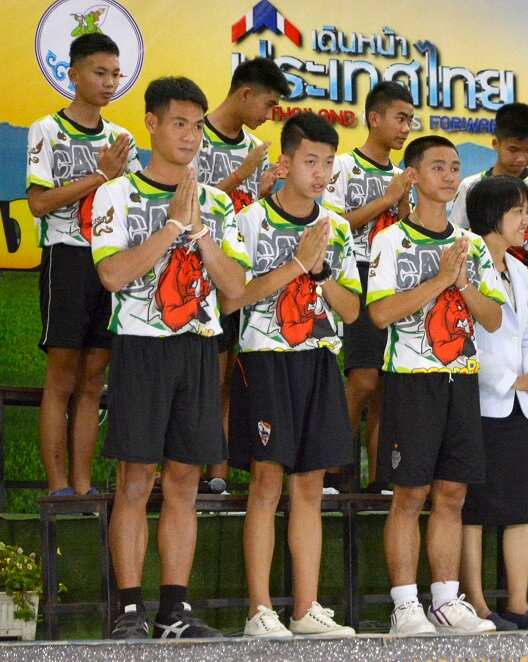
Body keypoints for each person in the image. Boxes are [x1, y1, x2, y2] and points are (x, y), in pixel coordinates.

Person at [90, 77, 248, 638]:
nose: (190, 136)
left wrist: (202, 235)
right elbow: (112, 274)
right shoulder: (116, 193)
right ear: (152, 124)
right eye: (179, 123)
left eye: (198, 126)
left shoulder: (220, 203)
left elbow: (235, 291)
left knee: (184, 478)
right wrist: (173, 227)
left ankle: (174, 610)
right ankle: (128, 610)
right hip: (139, 347)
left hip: (200, 348)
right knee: (136, 478)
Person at [222, 112, 361, 638]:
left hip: (321, 361)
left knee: (310, 486)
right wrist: (297, 265)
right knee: (266, 481)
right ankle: (260, 610)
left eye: (328, 162)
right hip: (265, 360)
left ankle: (305, 608)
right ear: (286, 162)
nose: (321, 172)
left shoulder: (339, 229)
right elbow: (233, 296)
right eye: (310, 161)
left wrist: (321, 271)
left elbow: (351, 312)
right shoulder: (250, 221)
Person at [366, 135, 504, 636]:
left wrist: (462, 280)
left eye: (454, 167)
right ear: (414, 177)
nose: (448, 176)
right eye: (437, 167)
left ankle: (446, 598)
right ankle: (405, 604)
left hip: (460, 379)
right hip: (411, 382)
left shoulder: (471, 247)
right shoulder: (390, 241)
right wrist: (441, 281)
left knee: (451, 493)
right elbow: (380, 312)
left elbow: (491, 319)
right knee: (409, 494)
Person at [26, 32, 141, 497]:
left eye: (115, 74)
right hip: (66, 257)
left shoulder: (121, 139)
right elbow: (38, 204)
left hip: (107, 261)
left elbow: (130, 205)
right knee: (62, 374)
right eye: (100, 72)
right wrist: (98, 176)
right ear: (73, 75)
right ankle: (57, 485)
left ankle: (83, 484)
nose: (110, 82)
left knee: (95, 376)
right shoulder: (46, 130)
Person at [459, 176, 528, 631]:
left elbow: (524, 335)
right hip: (478, 400)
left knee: (524, 503)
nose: (526, 221)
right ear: (493, 216)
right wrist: (509, 379)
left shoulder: (518, 268)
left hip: (518, 405)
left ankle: (518, 601)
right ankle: (475, 602)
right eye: (518, 212)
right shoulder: (465, 260)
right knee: (473, 506)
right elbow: (462, 339)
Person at [449, 102, 528, 442]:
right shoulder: (473, 186)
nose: (521, 158)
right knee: (487, 362)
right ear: (495, 143)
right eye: (513, 149)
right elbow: (458, 231)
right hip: (483, 284)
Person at [196, 56, 290, 494]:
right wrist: (243, 173)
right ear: (245, 93)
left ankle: (217, 466)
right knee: (197, 372)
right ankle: (180, 463)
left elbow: (245, 214)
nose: (269, 116)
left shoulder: (252, 147)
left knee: (227, 370)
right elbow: (183, 203)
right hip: (192, 273)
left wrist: (264, 188)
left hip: (238, 275)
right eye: (268, 104)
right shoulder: (192, 134)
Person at [323, 81, 414, 494]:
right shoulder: (342, 166)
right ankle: (331, 468)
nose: (405, 128)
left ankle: (381, 478)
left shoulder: (401, 175)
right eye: (400, 118)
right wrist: (387, 199)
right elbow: (332, 227)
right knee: (361, 378)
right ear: (374, 119)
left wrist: (405, 207)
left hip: (392, 277)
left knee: (386, 383)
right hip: (352, 273)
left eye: (410, 120)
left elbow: (408, 233)